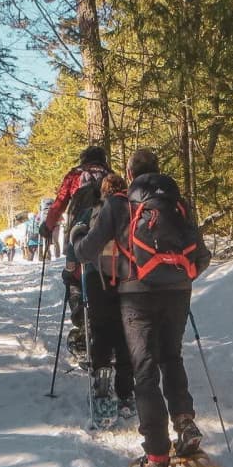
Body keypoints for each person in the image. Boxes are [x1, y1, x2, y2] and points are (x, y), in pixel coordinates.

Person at [73, 148, 211, 467]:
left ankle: (157, 454)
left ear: (131, 174)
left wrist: (76, 236)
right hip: (178, 292)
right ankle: (184, 422)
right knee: (172, 357)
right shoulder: (178, 203)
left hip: (136, 293)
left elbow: (88, 250)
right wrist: (179, 278)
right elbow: (202, 255)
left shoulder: (121, 204)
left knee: (144, 370)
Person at [68, 174, 136, 418]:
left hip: (97, 279)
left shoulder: (95, 211)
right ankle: (126, 389)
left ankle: (102, 375)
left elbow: (81, 248)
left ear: (103, 192)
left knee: (100, 329)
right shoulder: (135, 210)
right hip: (129, 279)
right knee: (125, 332)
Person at [40, 146, 114, 358]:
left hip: (77, 234)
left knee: (75, 279)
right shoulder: (110, 176)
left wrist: (48, 226)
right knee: (107, 277)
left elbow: (59, 203)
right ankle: (109, 332)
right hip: (108, 238)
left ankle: (83, 332)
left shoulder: (74, 176)